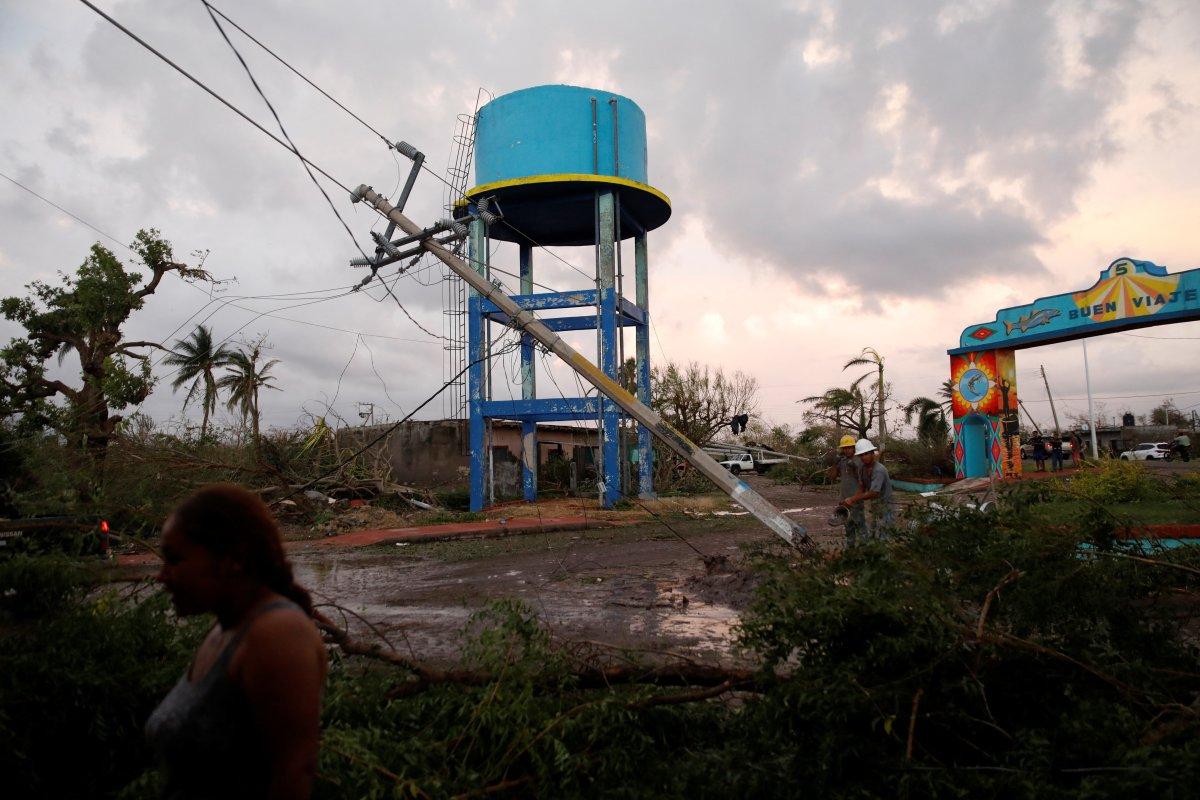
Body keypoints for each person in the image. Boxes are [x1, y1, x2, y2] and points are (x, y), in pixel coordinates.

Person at [146, 484, 328, 800]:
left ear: (234, 559)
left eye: (174, 560)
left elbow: (292, 777)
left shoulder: (277, 633)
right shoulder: (224, 630)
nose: (161, 576)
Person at [840, 439, 894, 540]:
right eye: (861, 455)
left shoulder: (879, 470)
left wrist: (852, 499)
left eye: (866, 454)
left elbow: (874, 493)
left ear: (872, 453)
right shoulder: (862, 469)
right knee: (873, 536)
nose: (864, 457)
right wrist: (851, 499)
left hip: (886, 507)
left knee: (883, 537)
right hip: (875, 506)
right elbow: (861, 487)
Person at [827, 434, 864, 547]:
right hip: (844, 501)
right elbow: (832, 477)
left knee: (860, 526)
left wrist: (854, 467)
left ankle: (866, 551)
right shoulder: (842, 462)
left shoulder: (859, 461)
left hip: (856, 499)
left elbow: (864, 480)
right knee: (848, 528)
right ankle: (851, 551)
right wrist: (834, 463)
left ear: (854, 447)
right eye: (845, 448)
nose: (847, 450)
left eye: (849, 447)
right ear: (842, 449)